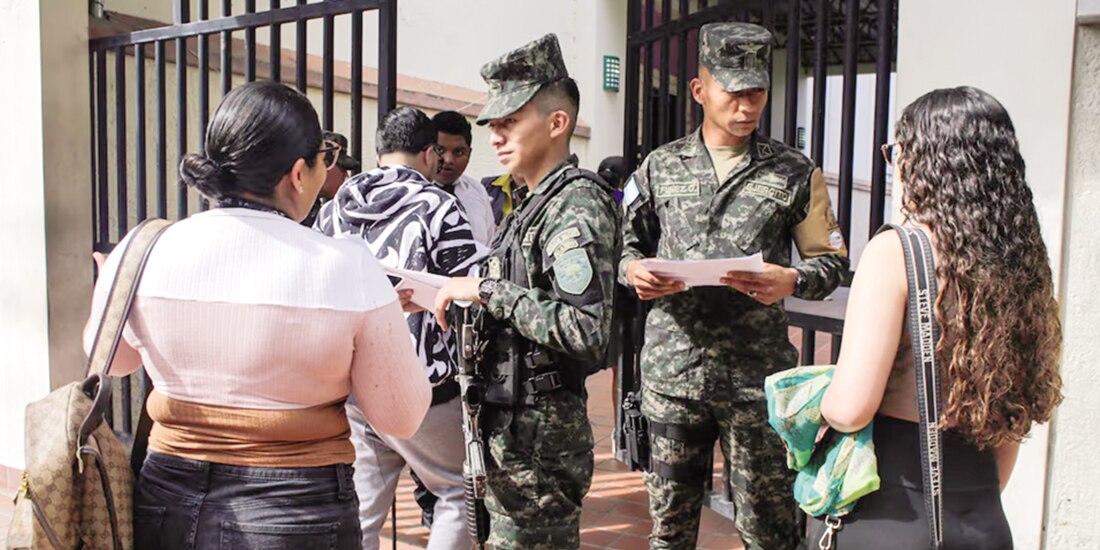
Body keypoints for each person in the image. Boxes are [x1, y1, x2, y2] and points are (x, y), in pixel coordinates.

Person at [82, 80, 431, 549]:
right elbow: (401, 416)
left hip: (164, 496)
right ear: (297, 173)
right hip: (297, 508)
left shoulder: (144, 249)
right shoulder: (347, 267)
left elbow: (114, 361)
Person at [619, 22, 850, 549]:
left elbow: (831, 262)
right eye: (733, 92)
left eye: (757, 93)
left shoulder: (795, 172)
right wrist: (633, 271)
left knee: (770, 531)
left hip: (755, 379)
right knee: (669, 531)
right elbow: (623, 246)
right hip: (673, 375)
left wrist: (790, 278)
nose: (746, 106)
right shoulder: (658, 166)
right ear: (700, 90)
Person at [813, 86, 1063, 548]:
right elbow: (1012, 419)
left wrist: (814, 402)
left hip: (892, 512)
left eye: (895, 152)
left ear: (922, 161)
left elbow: (850, 408)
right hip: (983, 520)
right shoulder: (1021, 262)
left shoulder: (898, 252)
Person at [433, 33, 620, 549]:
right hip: (510, 430)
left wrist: (489, 292)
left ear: (557, 123)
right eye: (493, 124)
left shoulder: (575, 205)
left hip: (540, 442)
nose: (495, 136)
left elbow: (586, 329)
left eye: (510, 122)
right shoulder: (531, 205)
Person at [314, 106, 482, 550]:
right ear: (428, 154)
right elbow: (467, 293)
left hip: (353, 382)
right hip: (422, 385)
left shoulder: (334, 209)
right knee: (455, 489)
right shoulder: (438, 205)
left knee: (363, 509)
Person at [433, 110, 497, 245]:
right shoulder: (413, 191)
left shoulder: (477, 191)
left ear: (469, 154)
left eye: (459, 152)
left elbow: (490, 245)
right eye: (440, 150)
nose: (448, 160)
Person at [301, 130, 360, 227]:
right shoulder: (298, 206)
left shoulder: (306, 203)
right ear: (324, 165)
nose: (345, 174)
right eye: (342, 167)